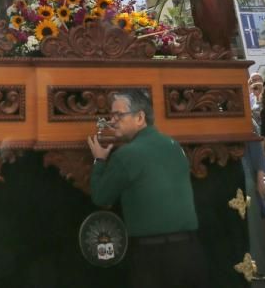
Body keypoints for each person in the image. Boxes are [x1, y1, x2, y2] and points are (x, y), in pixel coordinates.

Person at [87, 89, 205, 288]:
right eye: (111, 115)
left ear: (140, 117)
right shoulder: (174, 145)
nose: (112, 120)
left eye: (118, 115)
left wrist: (99, 160)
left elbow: (101, 197)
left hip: (152, 259)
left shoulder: (127, 155)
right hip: (190, 252)